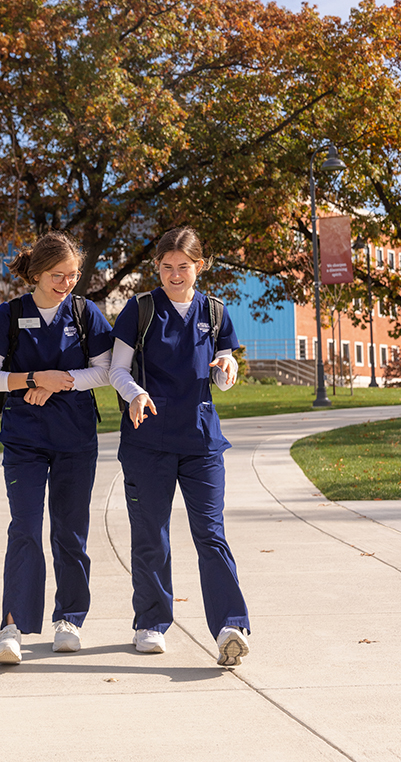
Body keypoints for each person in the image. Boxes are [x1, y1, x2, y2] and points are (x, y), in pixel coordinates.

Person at [109, 225, 251, 667]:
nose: (175, 275)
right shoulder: (140, 309)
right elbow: (117, 369)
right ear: (157, 267)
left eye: (184, 267)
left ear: (199, 267)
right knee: (152, 535)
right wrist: (135, 393)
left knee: (211, 534)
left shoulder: (216, 310)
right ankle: (151, 622)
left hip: (201, 441)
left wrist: (227, 367)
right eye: (167, 267)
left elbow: (224, 373)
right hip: (147, 440)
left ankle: (231, 625)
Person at [0, 231, 113, 665]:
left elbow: (107, 371)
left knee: (70, 532)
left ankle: (69, 619)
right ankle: (11, 627)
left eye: (73, 275)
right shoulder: (11, 314)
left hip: (75, 438)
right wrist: (36, 380)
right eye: (58, 275)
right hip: (25, 440)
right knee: (25, 529)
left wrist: (58, 381)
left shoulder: (85, 312)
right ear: (36, 272)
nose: (67, 283)